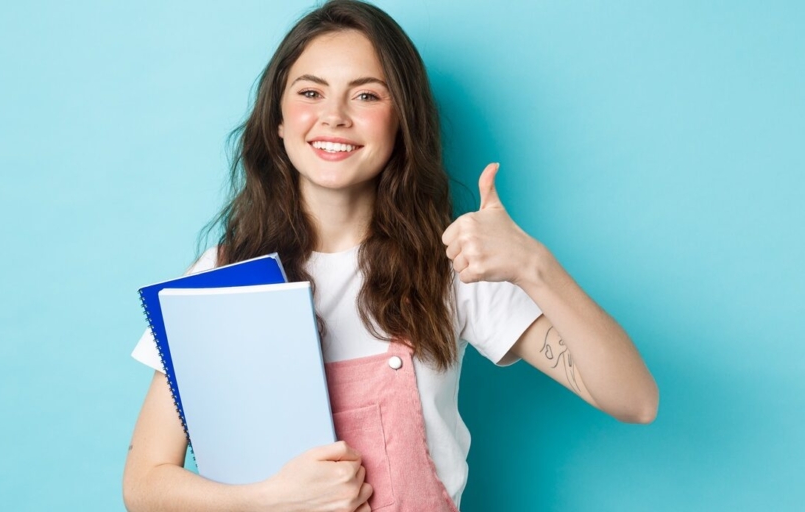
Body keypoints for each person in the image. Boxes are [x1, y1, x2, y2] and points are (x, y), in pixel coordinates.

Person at [122, 1, 658, 510]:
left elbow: (635, 401)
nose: (333, 116)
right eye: (310, 92)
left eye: (366, 95)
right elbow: (144, 485)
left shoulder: (453, 264)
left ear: (402, 123)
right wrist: (273, 500)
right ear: (277, 120)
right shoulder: (223, 275)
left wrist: (533, 266)